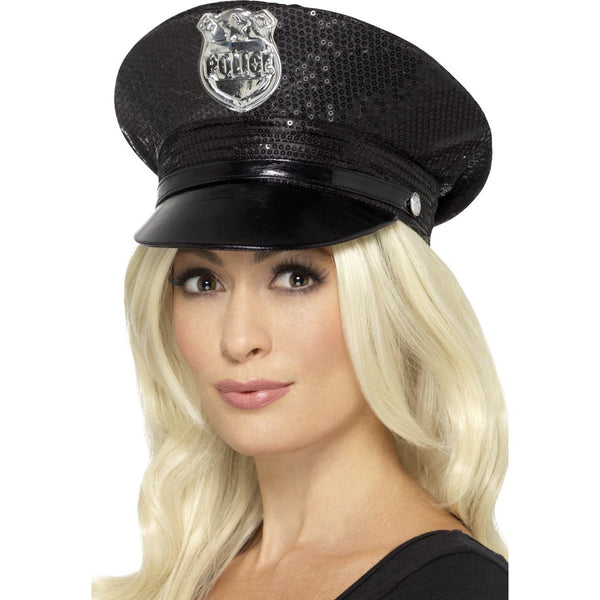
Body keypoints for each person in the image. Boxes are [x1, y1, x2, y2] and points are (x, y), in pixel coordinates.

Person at [94, 2, 508, 598]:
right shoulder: (183, 574)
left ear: (389, 302)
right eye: (204, 282)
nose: (238, 339)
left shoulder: (458, 588)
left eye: (294, 278)